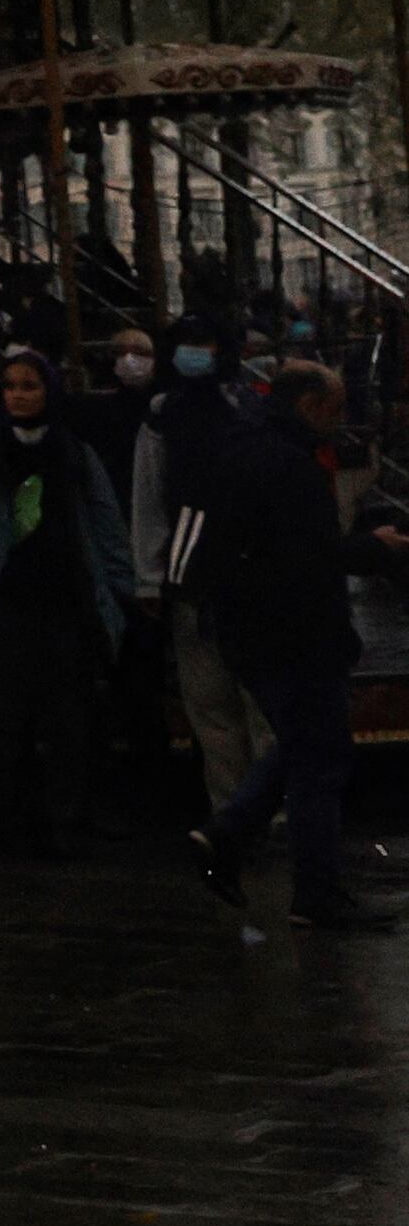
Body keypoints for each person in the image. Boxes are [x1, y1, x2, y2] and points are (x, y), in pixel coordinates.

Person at [186, 360, 402, 930]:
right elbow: (313, 556)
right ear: (309, 406)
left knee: (306, 744)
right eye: (334, 409)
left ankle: (229, 834)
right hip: (297, 634)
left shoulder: (240, 448)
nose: (340, 421)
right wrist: (378, 548)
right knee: (319, 759)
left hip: (248, 629)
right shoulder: (291, 465)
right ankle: (312, 890)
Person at [0, 343, 134, 856]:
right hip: (4, 605)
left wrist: (120, 590)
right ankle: (2, 822)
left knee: (69, 720)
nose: (19, 396)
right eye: (11, 387)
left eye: (29, 386)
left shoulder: (72, 451)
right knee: (1, 721)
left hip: (64, 601)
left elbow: (104, 521)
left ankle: (65, 818)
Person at [128, 313, 269, 814]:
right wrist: (150, 576)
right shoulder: (167, 414)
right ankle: (236, 813)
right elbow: (149, 496)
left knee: (250, 707)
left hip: (239, 578)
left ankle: (259, 812)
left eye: (202, 342)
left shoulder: (246, 409)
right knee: (216, 710)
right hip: (196, 583)